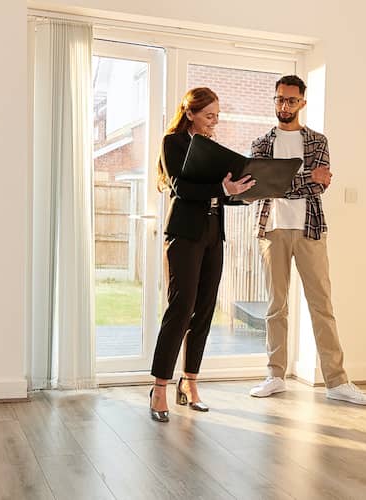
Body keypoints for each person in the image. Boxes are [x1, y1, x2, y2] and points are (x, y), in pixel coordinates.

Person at [246, 75, 366, 407]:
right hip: (271, 229)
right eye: (279, 99)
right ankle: (275, 375)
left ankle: (336, 381)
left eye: (290, 100)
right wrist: (301, 178)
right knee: (276, 307)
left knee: (322, 306)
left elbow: (320, 185)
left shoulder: (317, 141)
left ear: (303, 102)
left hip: (310, 229)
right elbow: (263, 187)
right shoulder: (262, 143)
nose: (283, 106)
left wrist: (283, 180)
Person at [148, 87, 255, 422]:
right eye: (209, 116)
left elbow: (219, 192)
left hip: (213, 234)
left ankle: (190, 384)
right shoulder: (173, 143)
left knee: (205, 310)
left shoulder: (212, 149)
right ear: (190, 112)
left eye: (217, 116)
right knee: (181, 309)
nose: (214, 122)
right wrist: (222, 189)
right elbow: (182, 188)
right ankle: (160, 387)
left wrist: (241, 193)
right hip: (184, 234)